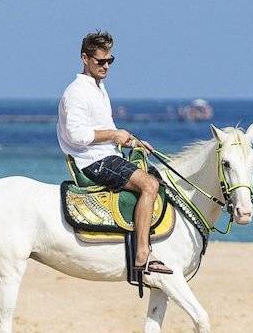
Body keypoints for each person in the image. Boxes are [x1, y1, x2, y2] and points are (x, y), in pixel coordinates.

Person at [57, 31, 172, 276]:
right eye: (100, 61)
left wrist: (133, 142)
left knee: (158, 176)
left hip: (108, 154)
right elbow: (77, 135)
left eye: (110, 61)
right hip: (93, 162)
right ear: (84, 58)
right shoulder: (76, 92)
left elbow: (107, 130)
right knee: (150, 185)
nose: (106, 66)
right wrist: (113, 135)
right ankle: (143, 255)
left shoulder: (99, 88)